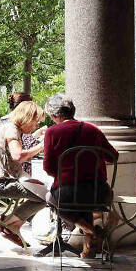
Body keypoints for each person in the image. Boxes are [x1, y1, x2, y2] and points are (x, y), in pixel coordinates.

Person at [41, 94, 116, 258]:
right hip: (100, 193)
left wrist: (66, 176)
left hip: (67, 193)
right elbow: (113, 156)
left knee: (50, 198)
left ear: (54, 115)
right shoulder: (93, 129)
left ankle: (90, 230)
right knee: (85, 202)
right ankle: (88, 250)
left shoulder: (52, 132)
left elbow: (48, 167)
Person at [0, 100, 49, 249]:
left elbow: (14, 162)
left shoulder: (10, 126)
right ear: (27, 118)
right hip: (0, 184)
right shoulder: (12, 129)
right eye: (36, 122)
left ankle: (13, 226)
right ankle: (9, 223)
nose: (37, 126)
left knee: (42, 189)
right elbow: (18, 156)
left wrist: (29, 180)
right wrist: (43, 145)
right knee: (47, 197)